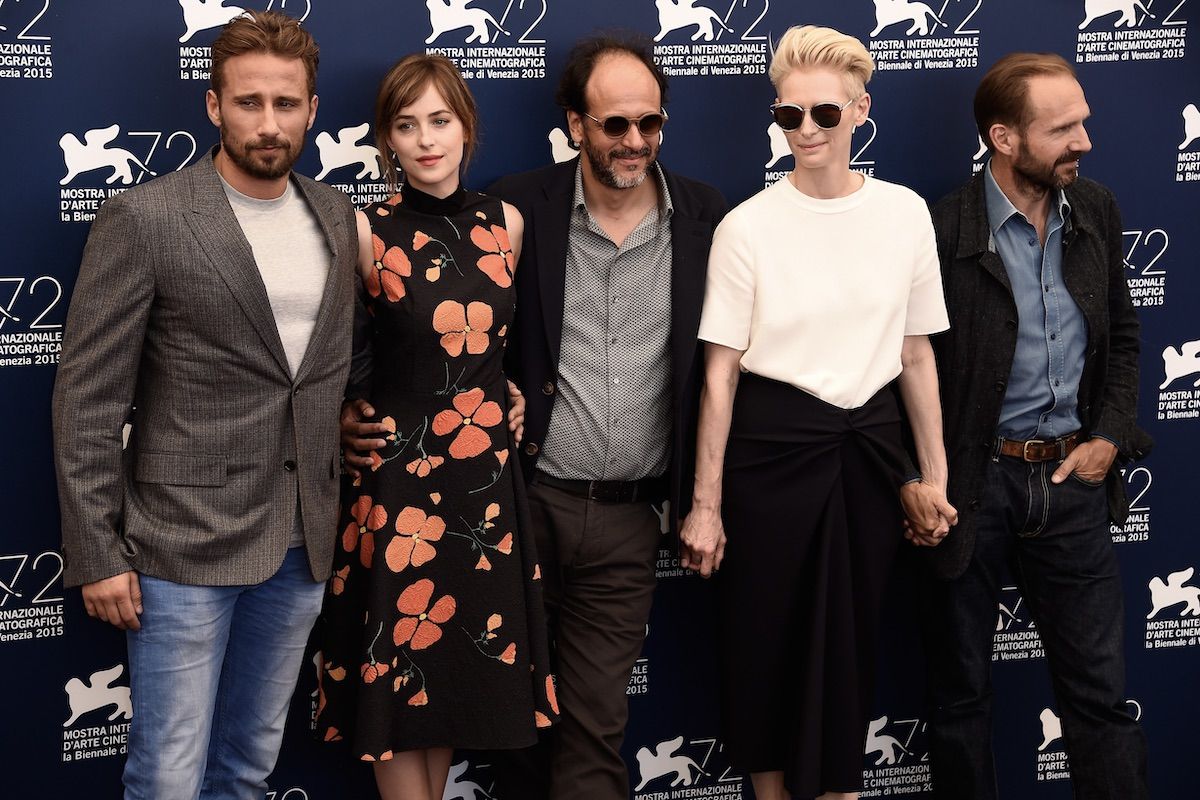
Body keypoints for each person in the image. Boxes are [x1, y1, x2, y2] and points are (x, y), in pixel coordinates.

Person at [50, 12, 356, 799]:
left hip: (301, 543)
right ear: (215, 105)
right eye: (249, 103)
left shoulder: (335, 214)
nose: (268, 123)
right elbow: (88, 399)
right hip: (180, 546)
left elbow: (328, 367)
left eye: (286, 104)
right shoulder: (147, 218)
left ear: (312, 110)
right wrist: (97, 551)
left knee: (249, 765)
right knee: (168, 774)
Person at [681, 25, 955, 800]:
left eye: (825, 113)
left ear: (861, 112)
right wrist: (706, 506)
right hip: (767, 457)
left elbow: (916, 356)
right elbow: (719, 375)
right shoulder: (747, 226)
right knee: (763, 644)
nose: (805, 130)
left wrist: (934, 479)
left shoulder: (904, 215)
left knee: (850, 644)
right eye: (789, 115)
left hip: (868, 457)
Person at [487, 33, 727, 799]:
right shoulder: (516, 207)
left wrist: (705, 501)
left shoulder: (704, 217)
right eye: (615, 124)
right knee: (514, 722)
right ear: (575, 125)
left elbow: (725, 371)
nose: (634, 140)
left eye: (649, 123)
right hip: (520, 505)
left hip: (628, 522)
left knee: (595, 727)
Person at [314, 54, 557, 800]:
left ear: (466, 127)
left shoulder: (506, 224)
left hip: (482, 480)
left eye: (440, 121)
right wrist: (346, 417)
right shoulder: (365, 231)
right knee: (396, 665)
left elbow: (502, 349)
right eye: (407, 124)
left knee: (446, 668)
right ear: (386, 138)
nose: (426, 140)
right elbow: (338, 360)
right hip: (397, 483)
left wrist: (507, 391)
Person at [912, 52, 1151, 800]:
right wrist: (921, 478)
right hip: (972, 489)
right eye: (1063, 129)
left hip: (1074, 482)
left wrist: (1108, 436)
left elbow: (1123, 336)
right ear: (1004, 138)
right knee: (959, 701)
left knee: (1100, 700)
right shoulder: (942, 228)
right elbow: (904, 366)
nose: (1084, 141)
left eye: (1083, 122)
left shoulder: (1097, 210)